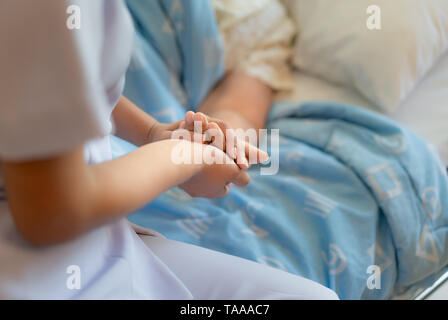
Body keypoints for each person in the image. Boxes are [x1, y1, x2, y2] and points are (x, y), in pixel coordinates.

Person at [0, 0, 338, 299]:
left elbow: (58, 81)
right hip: (39, 265)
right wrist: (186, 158)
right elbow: (55, 212)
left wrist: (152, 132)